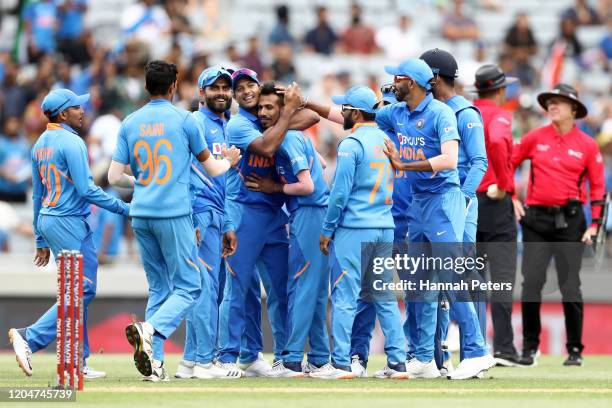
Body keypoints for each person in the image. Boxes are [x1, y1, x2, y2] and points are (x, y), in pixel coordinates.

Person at [107, 60, 240, 381]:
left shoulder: (130, 121)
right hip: (175, 213)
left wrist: (145, 183)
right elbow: (213, 169)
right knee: (191, 286)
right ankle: (150, 331)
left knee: (159, 288)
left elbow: (114, 177)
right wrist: (231, 160)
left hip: (140, 214)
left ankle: (154, 366)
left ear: (145, 87)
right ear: (174, 86)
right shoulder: (185, 120)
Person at [380, 58, 494, 380]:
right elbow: (359, 116)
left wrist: (404, 165)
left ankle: (474, 352)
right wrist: (307, 106)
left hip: (444, 200)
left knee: (451, 276)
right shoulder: (398, 112)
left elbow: (450, 160)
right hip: (417, 204)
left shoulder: (443, 113)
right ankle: (424, 358)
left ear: (413, 82)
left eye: (397, 78)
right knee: (418, 283)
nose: (392, 83)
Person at [9, 88, 130, 379]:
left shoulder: (40, 143)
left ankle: (76, 361)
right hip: (68, 222)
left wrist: (40, 238)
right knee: (82, 290)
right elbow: (87, 190)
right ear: (63, 114)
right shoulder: (72, 142)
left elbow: (38, 195)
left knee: (75, 291)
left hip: (53, 221)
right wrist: (128, 209)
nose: (83, 110)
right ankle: (30, 336)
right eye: (77, 107)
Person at [217, 68, 317, 376]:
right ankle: (227, 357)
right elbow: (267, 147)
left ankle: (285, 357)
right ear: (234, 96)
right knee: (237, 288)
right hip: (244, 210)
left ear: (260, 87)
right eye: (239, 89)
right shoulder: (237, 124)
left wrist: (285, 109)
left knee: (281, 289)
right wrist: (285, 114)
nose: (246, 91)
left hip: (274, 213)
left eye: (251, 85)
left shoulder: (268, 116)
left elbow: (311, 117)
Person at [314, 85, 407, 380]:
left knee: (344, 295)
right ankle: (398, 362)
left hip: (354, 227)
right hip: (383, 226)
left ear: (355, 112)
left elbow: (340, 193)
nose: (342, 112)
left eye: (345, 108)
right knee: (384, 296)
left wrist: (328, 229)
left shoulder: (351, 144)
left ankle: (340, 363)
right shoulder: (385, 139)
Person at [512, 83, 606, 367]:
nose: (552, 106)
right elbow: (508, 164)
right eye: (550, 101)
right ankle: (530, 348)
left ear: (573, 110)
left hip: (571, 221)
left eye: (559, 102)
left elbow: (598, 189)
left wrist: (594, 227)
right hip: (536, 220)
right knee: (531, 284)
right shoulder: (534, 138)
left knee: (570, 285)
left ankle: (575, 350)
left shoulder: (588, 145)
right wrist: (512, 198)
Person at [244, 82, 331, 377]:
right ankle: (319, 357)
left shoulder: (289, 139)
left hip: (310, 213)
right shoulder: (293, 137)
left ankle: (292, 358)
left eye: (270, 107)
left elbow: (306, 185)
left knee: (305, 287)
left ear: (283, 110)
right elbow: (318, 163)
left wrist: (273, 186)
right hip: (310, 214)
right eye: (261, 108)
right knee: (315, 289)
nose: (264, 112)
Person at [420, 48, 488, 375]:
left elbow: (479, 163)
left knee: (456, 278)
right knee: (436, 281)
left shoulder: (465, 113)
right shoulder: (430, 111)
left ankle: (473, 355)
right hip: (431, 203)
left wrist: (459, 199)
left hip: (456, 203)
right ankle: (437, 358)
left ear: (433, 78)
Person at [174, 67, 235, 379]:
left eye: (226, 87)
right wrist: (190, 216)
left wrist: (225, 224)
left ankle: (188, 362)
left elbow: (221, 182)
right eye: (215, 88)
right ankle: (204, 361)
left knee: (209, 288)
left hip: (215, 214)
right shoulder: (195, 122)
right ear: (201, 93)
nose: (222, 92)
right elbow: (183, 174)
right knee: (203, 289)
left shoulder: (225, 125)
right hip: (198, 213)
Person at [472, 64, 520, 367]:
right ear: (501, 90)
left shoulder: (465, 112)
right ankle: (503, 347)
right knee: (501, 278)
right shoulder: (501, 116)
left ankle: (473, 345)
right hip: (493, 199)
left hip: (467, 203)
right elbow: (501, 142)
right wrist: (505, 184)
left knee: (471, 277)